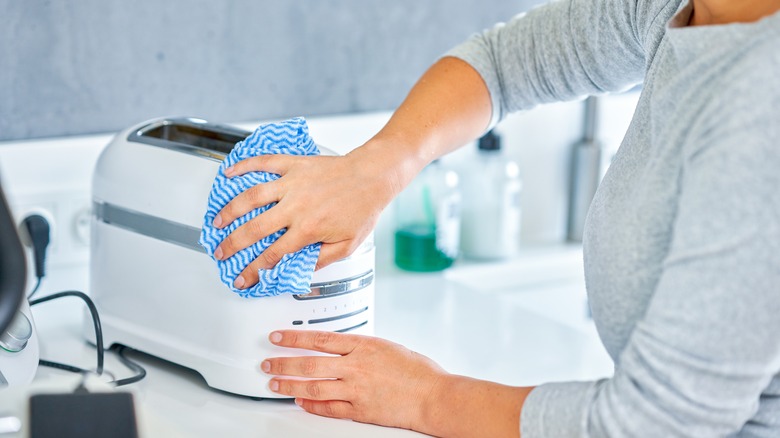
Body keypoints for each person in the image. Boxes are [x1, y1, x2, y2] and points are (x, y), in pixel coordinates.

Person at [211, 0, 780, 435]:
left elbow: (657, 426)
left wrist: (427, 398)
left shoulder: (762, 104)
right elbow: (507, 64)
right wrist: (378, 165)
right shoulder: (676, 10)